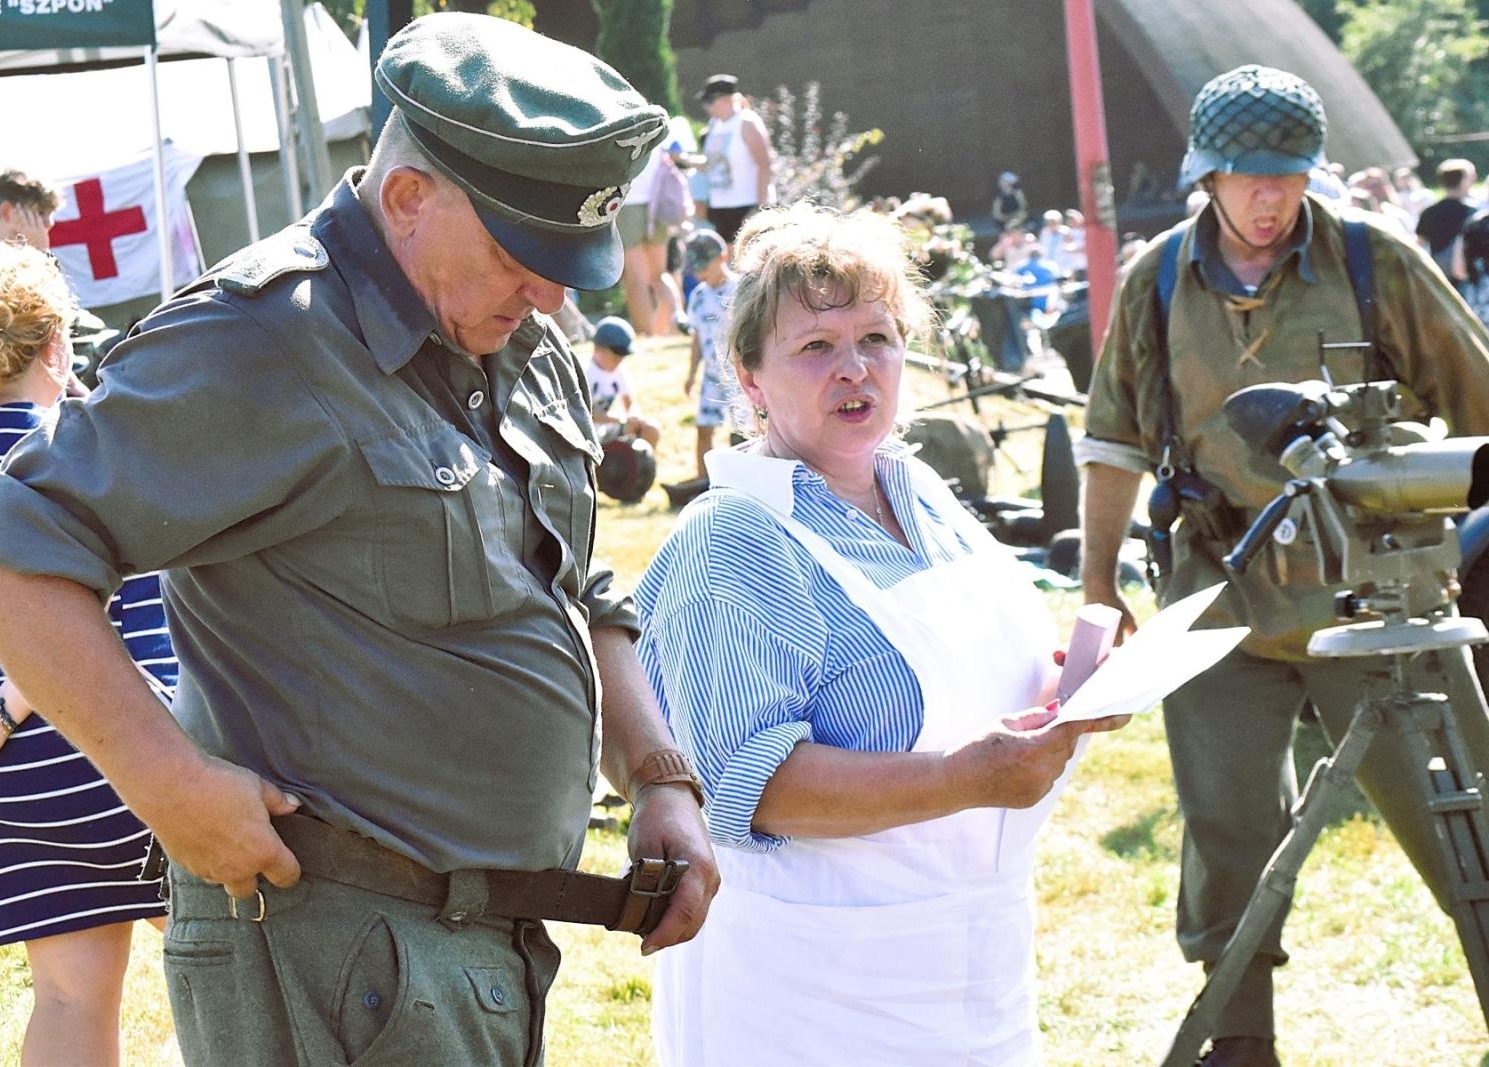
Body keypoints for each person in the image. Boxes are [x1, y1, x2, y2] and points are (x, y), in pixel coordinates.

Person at [0, 15, 717, 1067]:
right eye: (518, 254)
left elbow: (573, 580)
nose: (551, 294)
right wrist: (168, 785)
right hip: (331, 956)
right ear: (407, 199)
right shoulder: (261, 337)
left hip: (481, 947)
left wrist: (658, 773)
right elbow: (4, 553)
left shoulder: (516, 340)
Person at [638, 203, 1127, 1066]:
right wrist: (967, 777)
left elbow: (973, 681)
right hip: (811, 992)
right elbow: (750, 786)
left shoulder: (919, 491)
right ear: (750, 378)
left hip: (971, 960)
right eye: (815, 346)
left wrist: (1075, 695)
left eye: (877, 337)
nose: (854, 367)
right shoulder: (734, 538)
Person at [1079, 65, 1489, 1067]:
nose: (1271, 197)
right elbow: (1113, 441)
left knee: (1467, 816)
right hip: (1219, 586)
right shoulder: (1158, 279)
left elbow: (1480, 403)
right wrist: (1095, 584)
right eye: (1249, 176)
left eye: (1289, 175)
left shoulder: (1373, 261)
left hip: (1376, 585)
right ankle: (1239, 1036)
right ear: (1207, 177)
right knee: (1224, 829)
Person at [0, 239, 176, 1065]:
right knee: (230, 962)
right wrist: (5, 705)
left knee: (69, 996)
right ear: (55, 344)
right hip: (121, 745)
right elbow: (86, 610)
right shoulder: (82, 448)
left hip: (2, 779)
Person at [617, 115, 697, 336]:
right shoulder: (660, 132)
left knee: (636, 281)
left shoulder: (622, 132)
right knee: (660, 275)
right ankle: (678, 320)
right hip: (657, 208)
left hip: (629, 208)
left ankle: (646, 334)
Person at [681, 229, 738, 481]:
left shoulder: (740, 290)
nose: (700, 273)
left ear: (722, 257)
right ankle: (703, 480)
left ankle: (742, 480)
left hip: (739, 374)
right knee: (704, 428)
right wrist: (691, 374)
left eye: (705, 266)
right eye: (696, 268)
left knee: (741, 432)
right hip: (712, 375)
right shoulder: (698, 296)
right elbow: (697, 338)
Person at [699, 74, 774, 243]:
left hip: (746, 204)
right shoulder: (714, 125)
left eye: (709, 101)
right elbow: (711, 163)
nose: (707, 108)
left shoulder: (746, 122)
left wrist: (760, 207)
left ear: (724, 99)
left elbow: (764, 164)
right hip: (720, 205)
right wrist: (682, 160)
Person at [585, 315, 660, 447]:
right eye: (615, 356)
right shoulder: (585, 372)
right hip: (586, 436)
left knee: (651, 430)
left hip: (608, 429)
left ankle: (645, 460)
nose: (619, 360)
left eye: (622, 357)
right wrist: (624, 420)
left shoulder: (618, 371)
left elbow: (629, 403)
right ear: (598, 349)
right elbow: (590, 414)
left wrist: (634, 416)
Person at [1416, 157, 1478, 288]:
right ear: (1463, 181)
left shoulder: (1429, 212)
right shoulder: (1474, 213)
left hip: (1441, 279)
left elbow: (1419, 245)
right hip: (1469, 280)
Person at [0, 168, 58, 251]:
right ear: (6, 211)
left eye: (50, 214)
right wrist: (39, 251)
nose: (50, 223)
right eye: (40, 212)